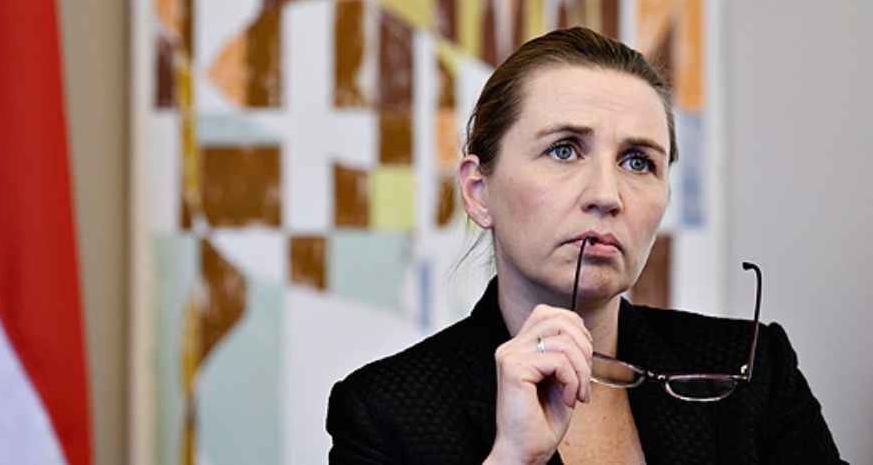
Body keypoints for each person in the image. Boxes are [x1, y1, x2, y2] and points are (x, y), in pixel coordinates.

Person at [326, 28, 845, 464]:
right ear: (478, 191)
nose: (606, 195)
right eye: (564, 150)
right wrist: (511, 458)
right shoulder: (386, 411)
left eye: (638, 161)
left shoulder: (751, 372)